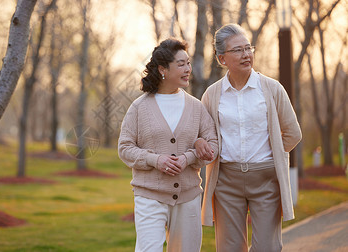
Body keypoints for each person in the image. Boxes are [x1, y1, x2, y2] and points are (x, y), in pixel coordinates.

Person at [200, 23, 302, 252]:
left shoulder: (272, 89)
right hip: (226, 181)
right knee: (229, 248)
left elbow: (293, 133)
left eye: (248, 48)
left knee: (268, 247)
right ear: (221, 58)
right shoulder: (212, 95)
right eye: (237, 50)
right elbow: (204, 136)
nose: (246, 55)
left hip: (266, 179)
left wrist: (270, 152)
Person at [118, 38, 218, 252]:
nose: (187, 69)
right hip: (149, 196)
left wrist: (189, 157)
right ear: (163, 69)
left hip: (188, 196)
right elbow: (125, 148)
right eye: (180, 64)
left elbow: (213, 144)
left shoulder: (196, 107)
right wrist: (156, 160)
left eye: (188, 63)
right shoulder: (139, 108)